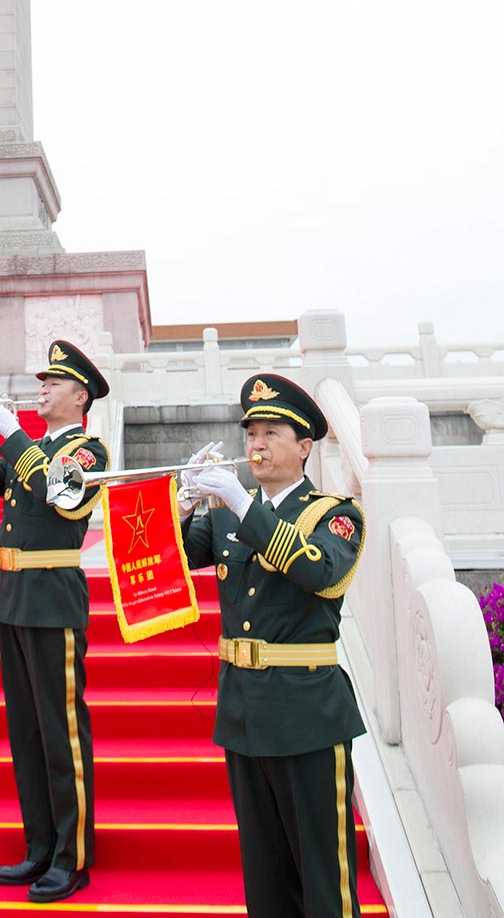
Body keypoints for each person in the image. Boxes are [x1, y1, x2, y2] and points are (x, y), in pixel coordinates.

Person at [179, 372, 367, 918]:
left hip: (306, 709)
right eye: (250, 434)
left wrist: (243, 504)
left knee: (322, 874)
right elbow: (168, 558)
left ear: (304, 447)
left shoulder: (333, 513)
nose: (255, 444)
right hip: (243, 709)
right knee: (265, 873)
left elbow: (321, 572)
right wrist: (184, 500)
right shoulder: (225, 518)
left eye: (270, 433)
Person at [0, 340, 110, 904]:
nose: (41, 389)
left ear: (80, 397)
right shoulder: (41, 447)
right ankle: (40, 843)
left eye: (53, 383)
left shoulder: (87, 449)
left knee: (61, 731)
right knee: (25, 731)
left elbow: (62, 496)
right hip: (13, 593)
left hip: (53, 593)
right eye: (41, 381)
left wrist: (15, 436)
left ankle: (72, 856)